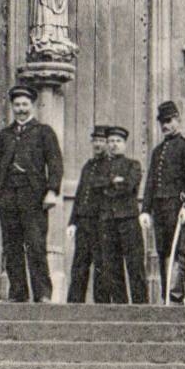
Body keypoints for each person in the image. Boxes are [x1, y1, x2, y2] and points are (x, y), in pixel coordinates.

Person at [0, 84, 62, 303]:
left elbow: (55, 164)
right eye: (17, 105)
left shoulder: (44, 132)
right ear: (12, 107)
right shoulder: (4, 135)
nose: (21, 109)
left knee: (36, 245)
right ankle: (18, 294)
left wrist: (52, 191)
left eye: (25, 104)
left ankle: (43, 294)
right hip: (7, 197)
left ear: (32, 105)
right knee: (12, 247)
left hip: (34, 198)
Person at [139, 101, 185, 305]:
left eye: (168, 121)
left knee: (178, 251)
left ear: (177, 120)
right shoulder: (158, 151)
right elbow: (150, 183)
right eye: (162, 122)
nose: (165, 126)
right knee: (163, 250)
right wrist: (145, 210)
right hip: (159, 207)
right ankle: (167, 294)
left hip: (177, 207)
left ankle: (175, 296)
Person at [97, 125, 148, 304]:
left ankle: (141, 307)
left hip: (129, 221)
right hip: (107, 222)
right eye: (110, 141)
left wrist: (109, 186)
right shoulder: (99, 166)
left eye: (118, 141)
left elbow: (129, 186)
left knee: (135, 265)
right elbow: (96, 185)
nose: (114, 145)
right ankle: (120, 306)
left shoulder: (133, 165)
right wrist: (114, 182)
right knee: (112, 267)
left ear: (125, 144)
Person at [67, 126, 110, 304]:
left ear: (108, 143)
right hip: (84, 223)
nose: (98, 144)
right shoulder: (88, 166)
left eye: (102, 141)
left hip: (100, 223)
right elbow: (79, 196)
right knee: (79, 265)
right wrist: (73, 222)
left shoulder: (110, 166)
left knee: (101, 266)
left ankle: (101, 308)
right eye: (96, 141)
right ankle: (74, 306)